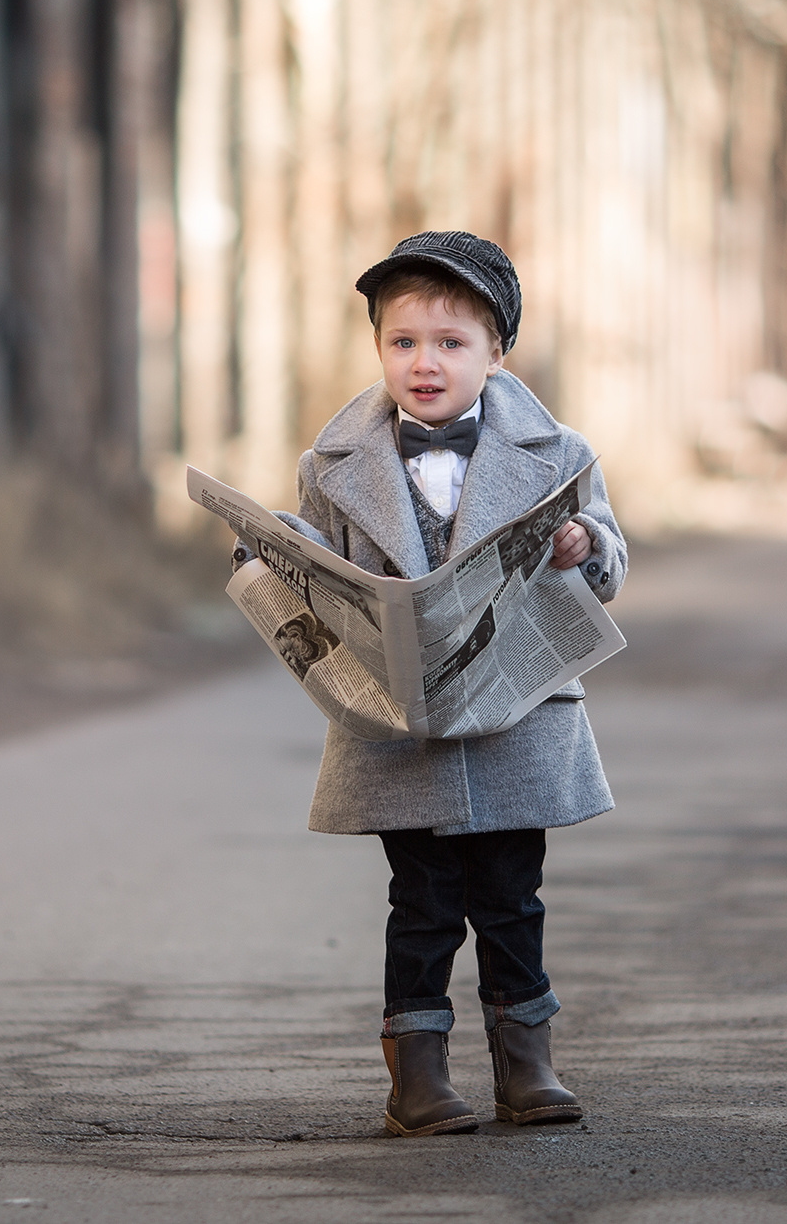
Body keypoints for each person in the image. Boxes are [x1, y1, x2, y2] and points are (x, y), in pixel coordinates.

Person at [236, 230, 626, 1137]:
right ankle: (417, 1078)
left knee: (510, 898)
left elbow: (609, 559)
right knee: (420, 907)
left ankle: (527, 1065)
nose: (425, 362)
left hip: (515, 718)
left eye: (451, 343)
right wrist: (278, 557)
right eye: (403, 341)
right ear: (378, 349)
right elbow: (327, 571)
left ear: (497, 353)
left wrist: (585, 544)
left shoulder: (558, 452)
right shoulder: (335, 463)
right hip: (403, 724)